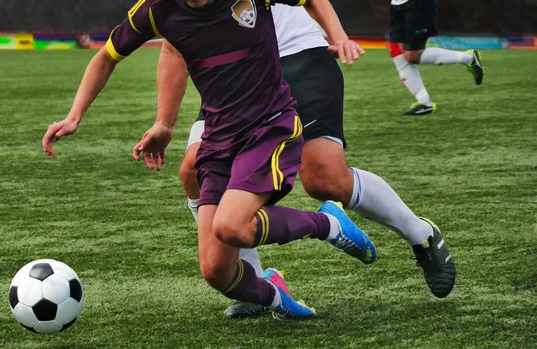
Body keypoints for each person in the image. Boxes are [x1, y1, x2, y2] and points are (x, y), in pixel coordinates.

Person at [42, 0, 376, 319]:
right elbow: (106, 57)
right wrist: (74, 117)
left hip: (269, 126)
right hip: (218, 139)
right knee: (216, 271)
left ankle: (327, 224)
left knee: (231, 225)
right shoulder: (157, 9)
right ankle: (275, 297)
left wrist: (339, 37)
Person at [164, 4, 456, 319]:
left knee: (325, 180)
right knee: (194, 168)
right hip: (233, 72)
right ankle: (255, 279)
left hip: (297, 56)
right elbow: (169, 45)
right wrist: (163, 123)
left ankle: (419, 233)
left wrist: (339, 36)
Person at [389, 0, 484, 115]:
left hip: (417, 3)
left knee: (413, 55)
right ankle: (425, 103)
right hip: (396, 4)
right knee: (397, 50)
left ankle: (468, 58)